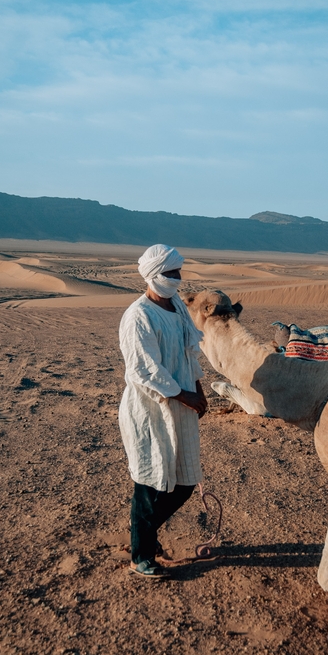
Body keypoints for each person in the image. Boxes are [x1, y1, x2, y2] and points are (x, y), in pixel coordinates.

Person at [118, 244, 208, 578]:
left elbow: (189, 352)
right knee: (149, 482)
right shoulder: (139, 315)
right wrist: (184, 395)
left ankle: (142, 533)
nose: (177, 279)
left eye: (178, 273)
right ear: (154, 275)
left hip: (182, 405)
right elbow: (144, 370)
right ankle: (141, 553)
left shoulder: (176, 309)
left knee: (183, 482)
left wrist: (197, 390)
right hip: (151, 409)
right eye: (171, 274)